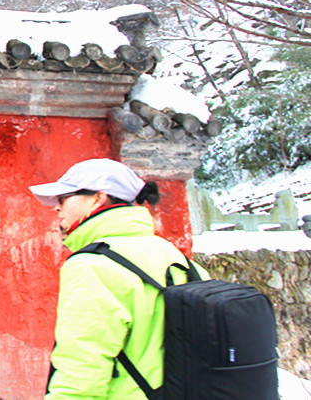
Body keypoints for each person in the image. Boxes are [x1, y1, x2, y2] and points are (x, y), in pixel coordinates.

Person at [30, 158, 207, 400]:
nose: (57, 207)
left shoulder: (93, 264)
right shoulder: (177, 258)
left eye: (64, 198)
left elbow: (81, 371)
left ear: (97, 198)